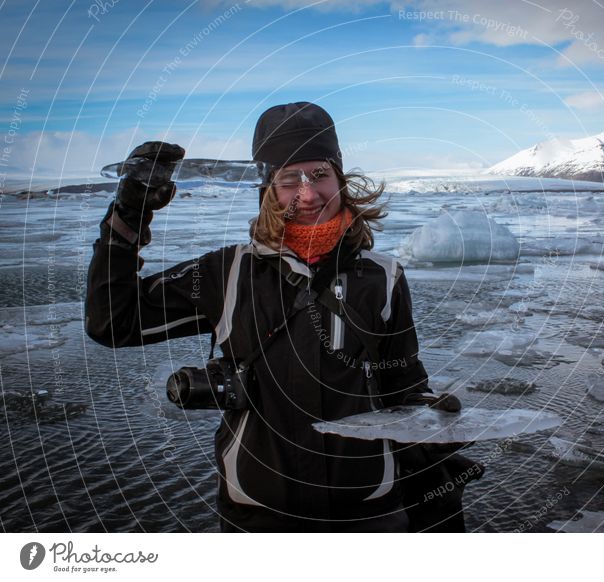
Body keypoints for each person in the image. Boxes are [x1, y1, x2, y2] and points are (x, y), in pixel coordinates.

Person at [84, 102, 463, 532]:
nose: (307, 194)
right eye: (288, 180)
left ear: (340, 178)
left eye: (319, 174)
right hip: (257, 519)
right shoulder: (226, 274)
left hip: (371, 513)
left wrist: (433, 422)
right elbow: (113, 322)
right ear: (267, 189)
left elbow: (404, 386)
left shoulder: (383, 278)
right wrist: (129, 214)